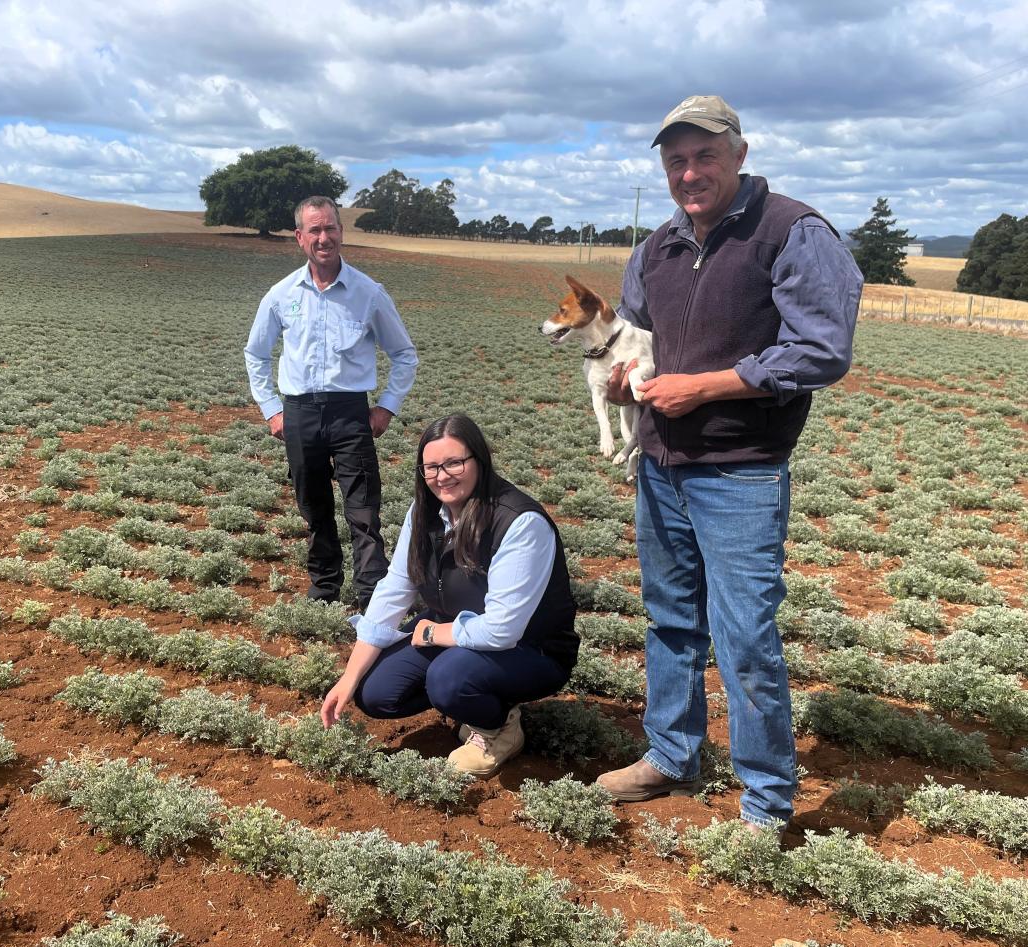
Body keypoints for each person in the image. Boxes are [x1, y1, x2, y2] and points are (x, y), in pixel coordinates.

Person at [596, 95, 861, 829]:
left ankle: (768, 802)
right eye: (675, 159)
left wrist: (707, 386)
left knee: (745, 635)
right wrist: (628, 380)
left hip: (741, 470)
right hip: (660, 464)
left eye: (704, 155)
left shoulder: (792, 232)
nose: (689, 172)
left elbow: (822, 349)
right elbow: (635, 341)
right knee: (671, 621)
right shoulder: (656, 249)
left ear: (739, 154)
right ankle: (671, 754)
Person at [320, 413, 579, 778]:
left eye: (454, 462)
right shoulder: (424, 512)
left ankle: (498, 727)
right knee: (374, 691)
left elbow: (502, 630)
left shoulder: (518, 521)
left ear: (479, 459)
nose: (442, 476)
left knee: (447, 679)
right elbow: (394, 588)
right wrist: (349, 676)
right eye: (431, 467)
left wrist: (430, 634)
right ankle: (470, 702)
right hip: (457, 631)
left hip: (531, 648)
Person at [245, 196, 418, 611]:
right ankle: (324, 588)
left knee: (363, 510)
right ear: (299, 237)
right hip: (299, 413)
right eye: (315, 230)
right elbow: (255, 353)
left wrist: (386, 406)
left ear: (341, 232)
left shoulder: (369, 293)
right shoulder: (280, 294)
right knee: (315, 506)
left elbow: (404, 355)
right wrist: (272, 408)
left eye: (331, 229)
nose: (324, 238)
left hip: (349, 413)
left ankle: (371, 598)